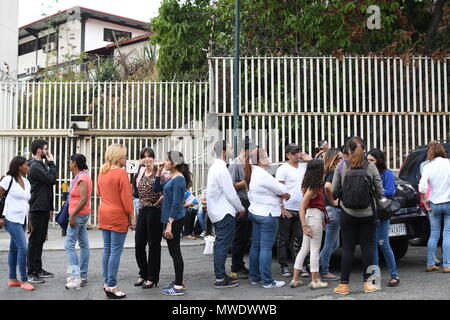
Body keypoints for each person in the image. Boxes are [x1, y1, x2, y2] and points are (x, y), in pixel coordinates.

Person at [331, 136, 384, 295]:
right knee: (367, 247)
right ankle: (368, 284)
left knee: (348, 248)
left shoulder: (342, 165)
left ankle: (343, 285)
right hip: (367, 214)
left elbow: (334, 190)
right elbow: (380, 191)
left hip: (347, 213)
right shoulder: (371, 167)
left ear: (348, 150)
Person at [245, 148, 290, 288]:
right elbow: (282, 190)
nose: (269, 158)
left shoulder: (251, 171)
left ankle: (254, 277)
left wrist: (279, 194)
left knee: (256, 246)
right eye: (267, 156)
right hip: (267, 213)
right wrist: (282, 195)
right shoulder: (263, 175)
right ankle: (267, 281)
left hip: (255, 212)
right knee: (266, 248)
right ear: (261, 160)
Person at [97, 144, 136, 299]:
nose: (125, 158)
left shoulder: (102, 172)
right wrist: (132, 218)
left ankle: (107, 283)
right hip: (118, 215)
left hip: (104, 213)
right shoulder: (121, 173)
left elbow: (99, 192)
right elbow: (127, 201)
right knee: (115, 251)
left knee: (107, 249)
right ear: (119, 157)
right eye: (124, 156)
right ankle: (112, 286)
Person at [206, 140, 245, 288]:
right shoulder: (221, 168)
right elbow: (230, 193)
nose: (231, 151)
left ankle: (221, 274)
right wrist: (240, 208)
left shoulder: (214, 167)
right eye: (229, 148)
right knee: (222, 245)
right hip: (224, 212)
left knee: (220, 245)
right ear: (223, 152)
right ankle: (220, 277)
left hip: (216, 211)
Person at [154, 150, 192, 296]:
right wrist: (158, 172)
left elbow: (177, 203)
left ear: (174, 163)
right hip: (169, 219)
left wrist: (170, 223)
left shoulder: (179, 179)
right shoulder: (172, 177)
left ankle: (178, 286)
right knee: (173, 251)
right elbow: (157, 189)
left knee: (175, 252)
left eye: (167, 160)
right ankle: (179, 281)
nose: (165, 162)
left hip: (174, 220)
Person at [290, 159, 329, 290]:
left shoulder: (307, 184)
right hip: (314, 217)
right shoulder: (314, 187)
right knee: (314, 250)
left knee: (304, 249)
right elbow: (301, 207)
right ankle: (315, 280)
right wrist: (304, 226)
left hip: (310, 216)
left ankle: (295, 279)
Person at [276, 143, 311, 278]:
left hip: (301, 208)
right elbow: (279, 189)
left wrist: (310, 159)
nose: (297, 154)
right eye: (294, 152)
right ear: (287, 155)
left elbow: (317, 170)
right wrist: (281, 207)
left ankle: (301, 265)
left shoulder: (304, 167)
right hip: (288, 208)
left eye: (298, 152)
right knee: (283, 238)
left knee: (302, 238)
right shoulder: (283, 169)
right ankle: (284, 266)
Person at [0, 156, 34, 291]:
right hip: (11, 218)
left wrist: (29, 220)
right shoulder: (8, 180)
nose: (28, 167)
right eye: (27, 165)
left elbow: (27, 202)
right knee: (23, 248)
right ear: (20, 166)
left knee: (14, 249)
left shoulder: (26, 181)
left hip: (22, 219)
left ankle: (12, 278)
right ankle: (24, 280)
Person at [367, 148, 400, 287]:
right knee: (373, 244)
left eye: (372, 160)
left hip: (382, 211)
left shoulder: (387, 174)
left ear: (379, 161)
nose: (369, 163)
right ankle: (374, 276)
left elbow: (391, 191)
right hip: (371, 211)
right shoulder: (367, 172)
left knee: (383, 243)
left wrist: (375, 190)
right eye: (367, 160)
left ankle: (394, 275)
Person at [27, 139, 57, 283]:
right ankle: (31, 271)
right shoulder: (34, 166)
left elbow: (48, 188)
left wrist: (50, 208)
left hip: (44, 206)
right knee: (35, 240)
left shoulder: (41, 165)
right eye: (45, 148)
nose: (47, 151)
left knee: (40, 240)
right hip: (37, 207)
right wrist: (52, 163)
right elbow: (52, 180)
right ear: (39, 150)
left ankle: (38, 268)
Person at [133, 147, 164, 289]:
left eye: (149, 156)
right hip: (142, 210)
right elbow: (135, 194)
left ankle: (152, 277)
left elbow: (168, 188)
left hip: (155, 211)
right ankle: (143, 273)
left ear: (153, 157)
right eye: (144, 156)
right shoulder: (140, 172)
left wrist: (162, 198)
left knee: (153, 245)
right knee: (139, 244)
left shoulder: (161, 171)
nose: (147, 159)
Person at [418, 141, 450, 273]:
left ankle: (430, 263)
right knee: (447, 234)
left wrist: (425, 200)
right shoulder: (448, 163)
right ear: (442, 151)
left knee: (434, 234)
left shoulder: (428, 167)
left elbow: (422, 186)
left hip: (433, 204)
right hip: (448, 203)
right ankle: (447, 265)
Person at [228, 137, 257, 280]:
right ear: (244, 150)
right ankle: (235, 267)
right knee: (239, 236)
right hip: (241, 202)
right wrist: (245, 182)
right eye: (251, 150)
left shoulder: (249, 163)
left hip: (251, 202)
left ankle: (241, 265)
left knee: (246, 236)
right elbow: (231, 185)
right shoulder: (235, 164)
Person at [64, 154, 92, 289]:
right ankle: (83, 275)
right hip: (81, 215)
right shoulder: (80, 176)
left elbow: (83, 199)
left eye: (70, 161)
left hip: (78, 215)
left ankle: (76, 277)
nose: (68, 164)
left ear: (74, 163)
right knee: (84, 244)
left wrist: (73, 216)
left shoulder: (82, 177)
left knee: (69, 245)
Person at [319, 148, 343, 281]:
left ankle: (316, 265)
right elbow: (328, 187)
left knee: (335, 243)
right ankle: (323, 270)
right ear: (334, 160)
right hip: (332, 210)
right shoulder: (332, 172)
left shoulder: (326, 172)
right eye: (339, 158)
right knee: (330, 244)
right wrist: (333, 201)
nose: (342, 160)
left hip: (328, 210)